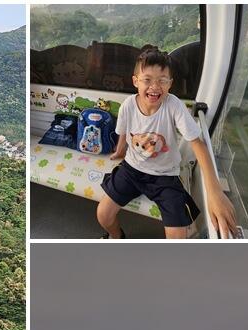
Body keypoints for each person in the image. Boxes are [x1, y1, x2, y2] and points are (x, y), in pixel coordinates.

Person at [97, 45, 239, 239]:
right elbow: (123, 132)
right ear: (135, 81)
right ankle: (116, 237)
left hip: (165, 176)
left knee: (178, 237)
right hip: (131, 169)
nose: (155, 87)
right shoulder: (128, 106)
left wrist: (214, 191)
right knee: (103, 215)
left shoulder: (173, 106)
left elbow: (198, 144)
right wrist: (120, 151)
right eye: (147, 80)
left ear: (170, 84)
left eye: (162, 81)